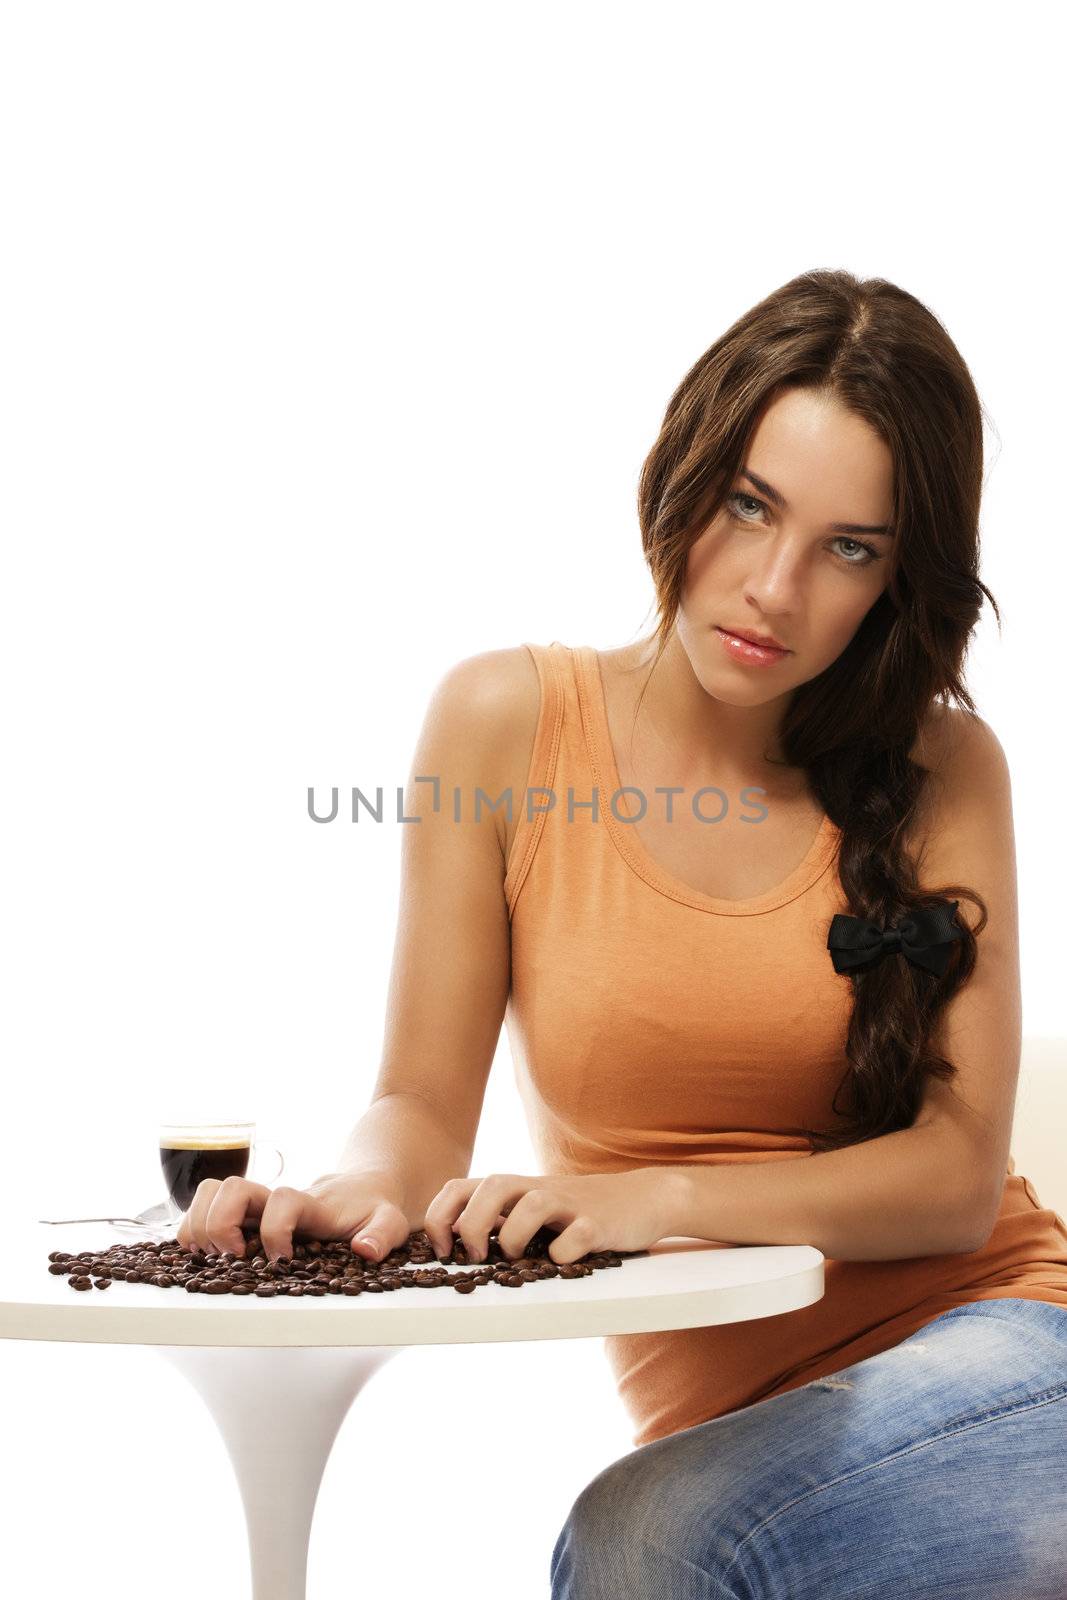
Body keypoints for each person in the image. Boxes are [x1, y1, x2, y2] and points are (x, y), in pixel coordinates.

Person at [178, 268, 1067, 1595]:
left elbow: (950, 1182)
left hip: (1009, 1360)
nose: (773, 588)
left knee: (646, 1539)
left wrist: (658, 1200)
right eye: (750, 505)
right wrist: (351, 1206)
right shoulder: (505, 724)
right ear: (685, 471)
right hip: (744, 1451)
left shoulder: (944, 767)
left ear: (898, 578)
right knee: (658, 1533)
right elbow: (422, 1099)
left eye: (850, 548)